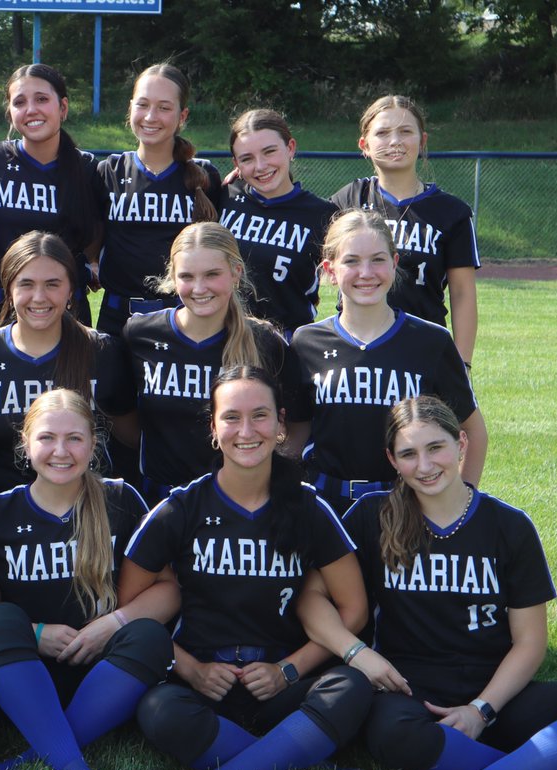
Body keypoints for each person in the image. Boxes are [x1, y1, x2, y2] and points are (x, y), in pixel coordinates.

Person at [304, 396, 557, 770]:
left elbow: (530, 641)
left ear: (461, 444)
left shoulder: (509, 525)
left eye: (436, 448)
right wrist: (356, 652)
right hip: (411, 690)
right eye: (408, 454)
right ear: (392, 460)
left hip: (498, 689)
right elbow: (312, 597)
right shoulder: (371, 516)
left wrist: (481, 710)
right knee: (393, 737)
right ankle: (555, 761)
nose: (425, 466)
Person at [121, 366, 373, 770]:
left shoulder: (309, 507)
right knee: (157, 709)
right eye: (231, 417)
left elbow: (354, 610)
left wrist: (288, 669)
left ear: (280, 425)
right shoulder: (180, 509)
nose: (246, 430)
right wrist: (192, 670)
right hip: (203, 686)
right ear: (214, 429)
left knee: (351, 687)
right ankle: (297, 760)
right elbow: (133, 617)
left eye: (260, 416)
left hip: (282, 685)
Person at [0, 389, 173, 770]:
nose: (61, 451)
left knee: (149, 636)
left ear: (93, 444)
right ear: (26, 443)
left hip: (105, 679)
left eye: (74, 438)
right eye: (46, 438)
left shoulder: (121, 500)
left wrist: (108, 627)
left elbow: (168, 590)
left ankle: (21, 763)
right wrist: (34, 633)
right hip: (19, 678)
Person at [290, 209, 487, 516]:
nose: (366, 272)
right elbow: (295, 436)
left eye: (378, 259)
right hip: (326, 505)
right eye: (352, 261)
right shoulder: (306, 342)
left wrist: (460, 506)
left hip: (406, 505)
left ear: (394, 264)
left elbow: (473, 432)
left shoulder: (430, 342)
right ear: (330, 269)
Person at [0, 231, 136, 503]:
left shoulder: (101, 353)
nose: (39, 296)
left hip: (84, 513)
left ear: (71, 290)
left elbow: (132, 441)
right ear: (9, 288)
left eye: (52, 284)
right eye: (26, 284)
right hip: (1, 515)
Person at [123, 221, 307, 505]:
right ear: (172, 276)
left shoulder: (265, 342)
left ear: (236, 273)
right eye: (187, 276)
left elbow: (299, 423)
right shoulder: (140, 334)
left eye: (212, 274)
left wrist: (269, 469)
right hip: (160, 499)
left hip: (243, 501)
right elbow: (123, 420)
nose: (199, 288)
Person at [332, 95, 479, 365]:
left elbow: (462, 293)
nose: (395, 141)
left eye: (405, 131)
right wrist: (238, 185)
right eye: (383, 133)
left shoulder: (451, 212)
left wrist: (462, 365)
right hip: (356, 348)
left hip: (423, 348)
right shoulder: (347, 200)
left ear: (422, 141)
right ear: (364, 145)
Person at [93, 63, 220, 337]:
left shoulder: (205, 176)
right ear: (130, 109)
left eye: (164, 107)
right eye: (143, 105)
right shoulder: (109, 171)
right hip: (117, 318)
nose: (151, 116)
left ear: (182, 115)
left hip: (185, 317)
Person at [0, 64, 101, 328]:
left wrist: (92, 263)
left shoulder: (86, 168)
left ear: (62, 108)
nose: (31, 109)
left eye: (42, 99)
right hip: (1, 303)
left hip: (65, 307)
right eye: (20, 102)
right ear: (10, 113)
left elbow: (96, 233)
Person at [218, 109, 336, 339]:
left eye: (269, 152)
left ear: (290, 148)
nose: (260, 166)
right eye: (247, 158)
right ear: (236, 163)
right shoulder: (223, 197)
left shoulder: (323, 215)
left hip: (285, 343)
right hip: (221, 338)